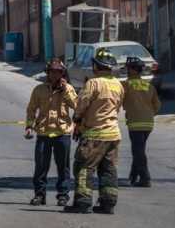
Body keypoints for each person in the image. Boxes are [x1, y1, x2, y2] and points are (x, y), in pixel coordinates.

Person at [64, 49, 125, 215]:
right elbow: (117, 107)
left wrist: (77, 120)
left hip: (94, 135)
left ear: (96, 66)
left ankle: (82, 202)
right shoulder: (118, 84)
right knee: (108, 169)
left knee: (84, 167)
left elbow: (82, 104)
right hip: (113, 135)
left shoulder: (93, 83)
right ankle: (108, 203)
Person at [25, 58, 78, 207]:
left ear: (63, 74)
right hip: (44, 133)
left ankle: (63, 195)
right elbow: (31, 109)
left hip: (62, 133)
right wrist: (29, 126)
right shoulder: (39, 89)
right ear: (47, 73)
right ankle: (39, 195)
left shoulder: (68, 89)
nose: (55, 75)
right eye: (52, 72)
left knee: (63, 167)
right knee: (41, 167)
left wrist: (65, 90)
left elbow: (76, 105)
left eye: (58, 72)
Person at [122, 56, 161, 188]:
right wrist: (148, 114)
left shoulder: (126, 85)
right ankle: (133, 176)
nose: (127, 71)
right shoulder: (148, 85)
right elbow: (157, 105)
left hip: (135, 123)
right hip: (148, 123)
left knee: (138, 151)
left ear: (133, 70)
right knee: (139, 150)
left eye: (128, 68)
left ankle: (145, 178)